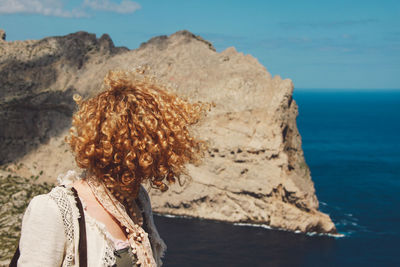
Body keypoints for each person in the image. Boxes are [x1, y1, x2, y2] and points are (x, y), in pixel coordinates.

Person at [15, 68, 209, 267]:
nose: (161, 162)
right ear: (132, 150)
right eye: (157, 150)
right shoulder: (53, 210)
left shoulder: (137, 201)